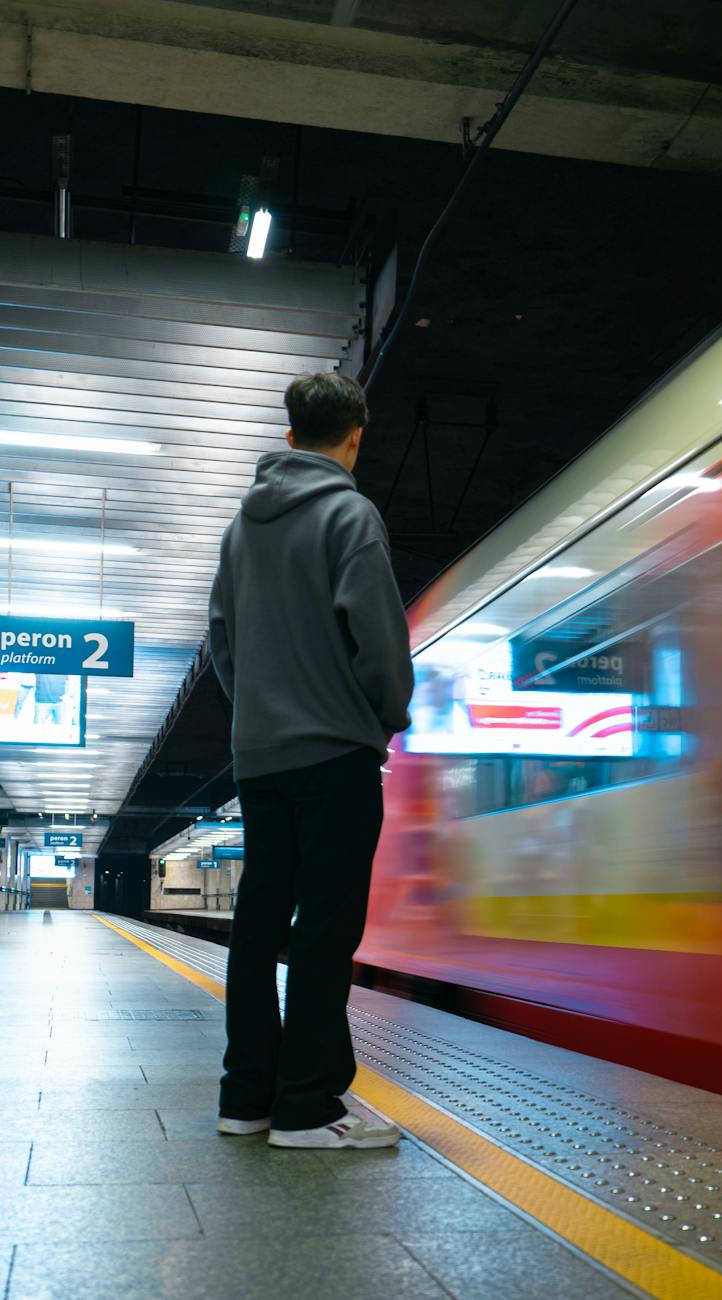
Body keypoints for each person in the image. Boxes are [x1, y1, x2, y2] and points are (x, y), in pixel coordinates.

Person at [208, 370, 414, 1150]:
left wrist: (255, 712)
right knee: (325, 929)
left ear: (289, 435)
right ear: (354, 438)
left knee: (258, 926)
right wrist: (381, 718)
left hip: (259, 759)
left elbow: (221, 639)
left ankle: (245, 1099)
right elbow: (379, 645)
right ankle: (307, 1107)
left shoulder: (240, 527)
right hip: (335, 754)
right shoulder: (350, 516)